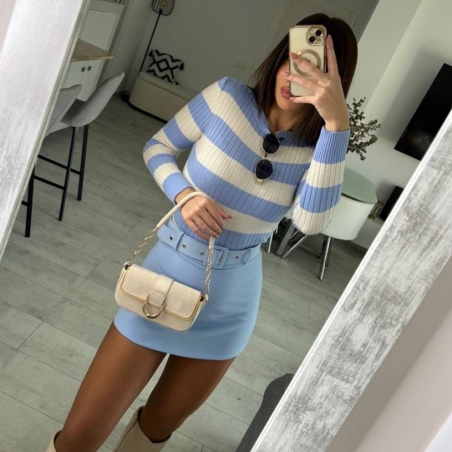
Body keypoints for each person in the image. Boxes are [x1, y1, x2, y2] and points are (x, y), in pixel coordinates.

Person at [46, 12, 357, 452]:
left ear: (334, 87)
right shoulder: (226, 97)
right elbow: (157, 146)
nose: (295, 78)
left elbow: (310, 223)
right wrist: (184, 194)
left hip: (230, 306)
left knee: (153, 433)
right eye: (294, 62)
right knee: (79, 437)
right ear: (279, 59)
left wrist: (337, 127)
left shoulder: (322, 150)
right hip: (161, 281)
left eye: (315, 72)